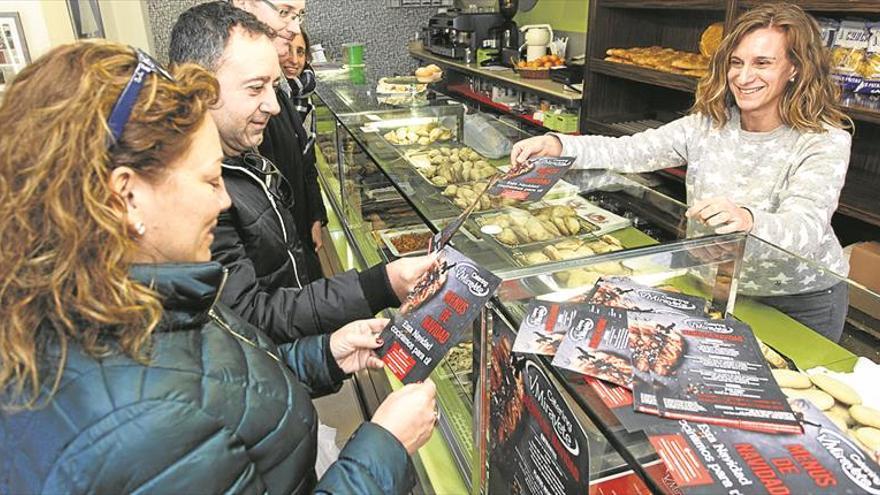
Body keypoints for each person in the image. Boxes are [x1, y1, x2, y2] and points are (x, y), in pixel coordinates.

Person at [0, 40, 436, 494]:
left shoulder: (123, 298)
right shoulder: (138, 427)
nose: (225, 200)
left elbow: (215, 384)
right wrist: (384, 447)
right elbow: (185, 411)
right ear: (126, 196)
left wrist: (324, 355)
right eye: (210, 180)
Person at [510, 2, 852, 341]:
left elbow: (806, 227)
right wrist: (560, 146)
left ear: (795, 68)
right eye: (736, 62)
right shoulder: (709, 124)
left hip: (796, 303)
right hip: (713, 283)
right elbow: (629, 151)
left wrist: (749, 219)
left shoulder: (824, 141)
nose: (744, 77)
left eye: (763, 63)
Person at [169, 2, 435, 344]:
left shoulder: (238, 153)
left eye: (273, 86)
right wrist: (379, 286)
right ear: (201, 87)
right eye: (255, 88)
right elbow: (247, 320)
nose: (274, 105)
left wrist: (326, 356)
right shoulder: (192, 188)